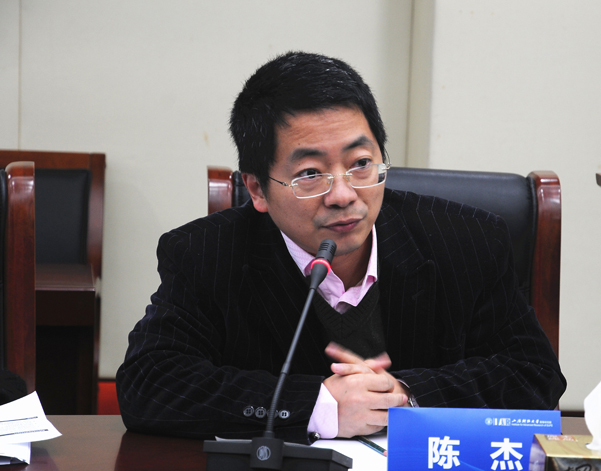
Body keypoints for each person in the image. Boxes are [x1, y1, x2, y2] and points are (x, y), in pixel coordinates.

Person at [116, 51, 566, 444]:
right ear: (256, 189)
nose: (344, 194)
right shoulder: (205, 254)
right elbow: (149, 383)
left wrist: (403, 396)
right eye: (310, 173)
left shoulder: (467, 241)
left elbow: (534, 373)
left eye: (361, 163)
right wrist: (317, 405)